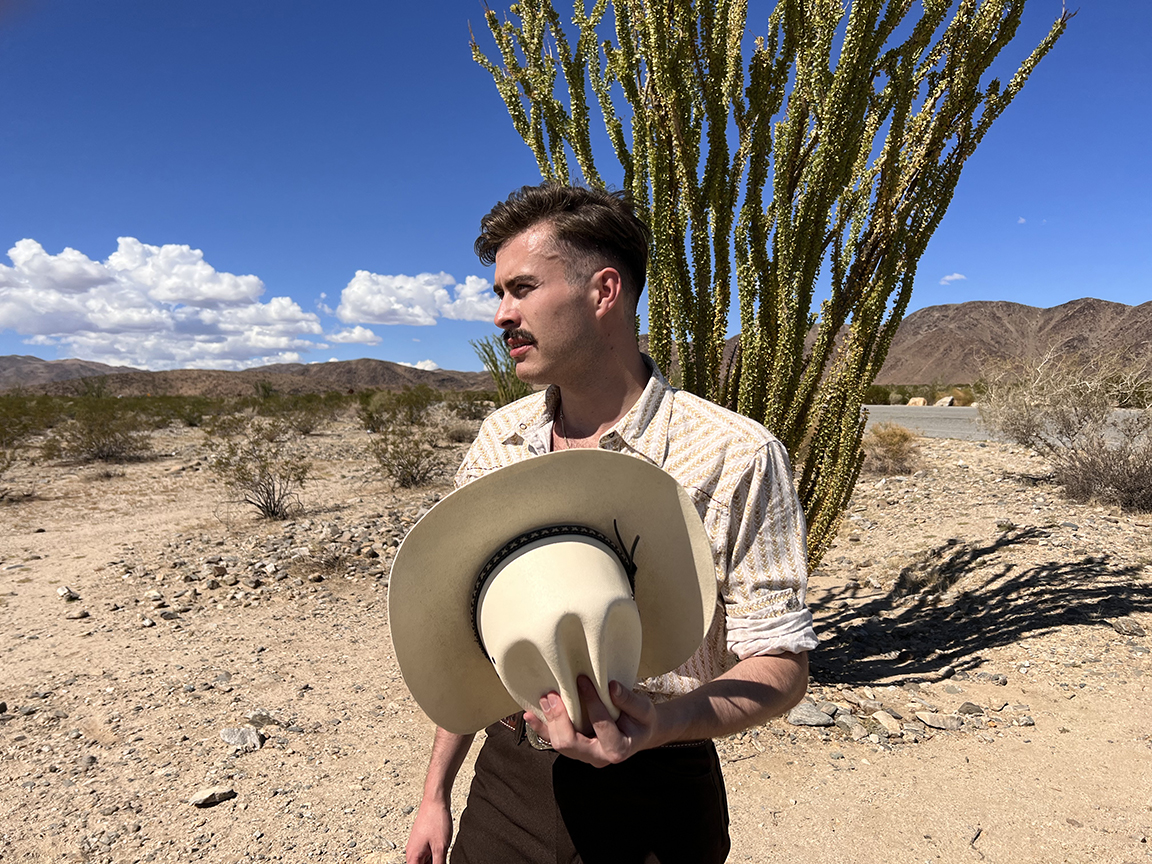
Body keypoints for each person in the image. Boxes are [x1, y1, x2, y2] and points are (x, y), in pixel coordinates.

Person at [405, 184, 817, 864]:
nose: (502, 315)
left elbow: (782, 661)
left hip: (660, 793)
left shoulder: (735, 456)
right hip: (508, 780)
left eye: (523, 288)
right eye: (499, 294)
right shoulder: (500, 440)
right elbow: (468, 643)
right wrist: (434, 794)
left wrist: (662, 722)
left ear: (603, 291)